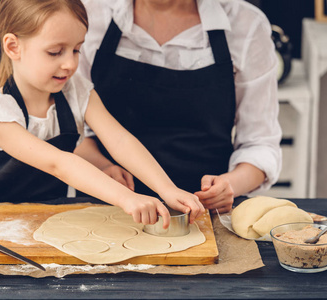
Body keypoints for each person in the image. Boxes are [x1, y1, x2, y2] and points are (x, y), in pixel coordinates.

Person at [0, 0, 204, 227]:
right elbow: (59, 163)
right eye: (55, 52)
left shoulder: (76, 91)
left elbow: (119, 139)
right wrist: (127, 198)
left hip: (47, 219)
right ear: (13, 46)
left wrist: (167, 189)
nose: (71, 64)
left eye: (76, 50)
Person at [74, 0, 282, 214]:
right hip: (108, 204)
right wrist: (103, 167)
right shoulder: (88, 15)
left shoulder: (246, 25)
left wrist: (229, 185)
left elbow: (260, 143)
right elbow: (73, 128)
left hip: (203, 211)